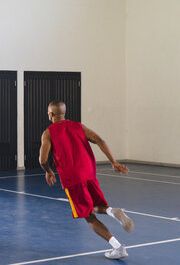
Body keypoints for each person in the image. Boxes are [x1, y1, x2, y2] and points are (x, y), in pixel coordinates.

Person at [39, 100, 134, 260]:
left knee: (87, 215)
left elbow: (43, 159)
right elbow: (100, 140)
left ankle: (118, 248)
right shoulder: (78, 126)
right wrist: (113, 162)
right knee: (95, 206)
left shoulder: (48, 133)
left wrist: (48, 171)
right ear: (64, 113)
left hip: (72, 178)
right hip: (89, 172)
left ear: (51, 114)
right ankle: (112, 211)